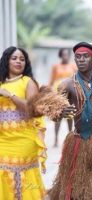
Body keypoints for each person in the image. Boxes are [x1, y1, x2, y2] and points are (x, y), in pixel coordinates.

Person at [49, 42, 92, 200]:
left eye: (86, 56)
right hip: (79, 142)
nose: (81, 59)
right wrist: (59, 112)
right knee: (78, 190)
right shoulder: (66, 84)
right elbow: (53, 114)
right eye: (78, 57)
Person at [0, 46, 46, 199]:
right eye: (14, 58)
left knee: (22, 177)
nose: (19, 61)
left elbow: (32, 109)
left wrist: (10, 95)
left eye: (22, 59)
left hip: (23, 140)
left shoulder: (28, 82)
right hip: (2, 140)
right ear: (6, 61)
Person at [49, 48, 77, 147]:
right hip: (58, 93)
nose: (65, 56)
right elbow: (52, 80)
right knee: (58, 115)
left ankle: (70, 137)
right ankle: (56, 139)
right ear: (60, 55)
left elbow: (76, 79)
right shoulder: (55, 66)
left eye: (67, 55)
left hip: (70, 94)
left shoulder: (73, 66)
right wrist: (50, 94)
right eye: (63, 55)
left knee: (69, 115)